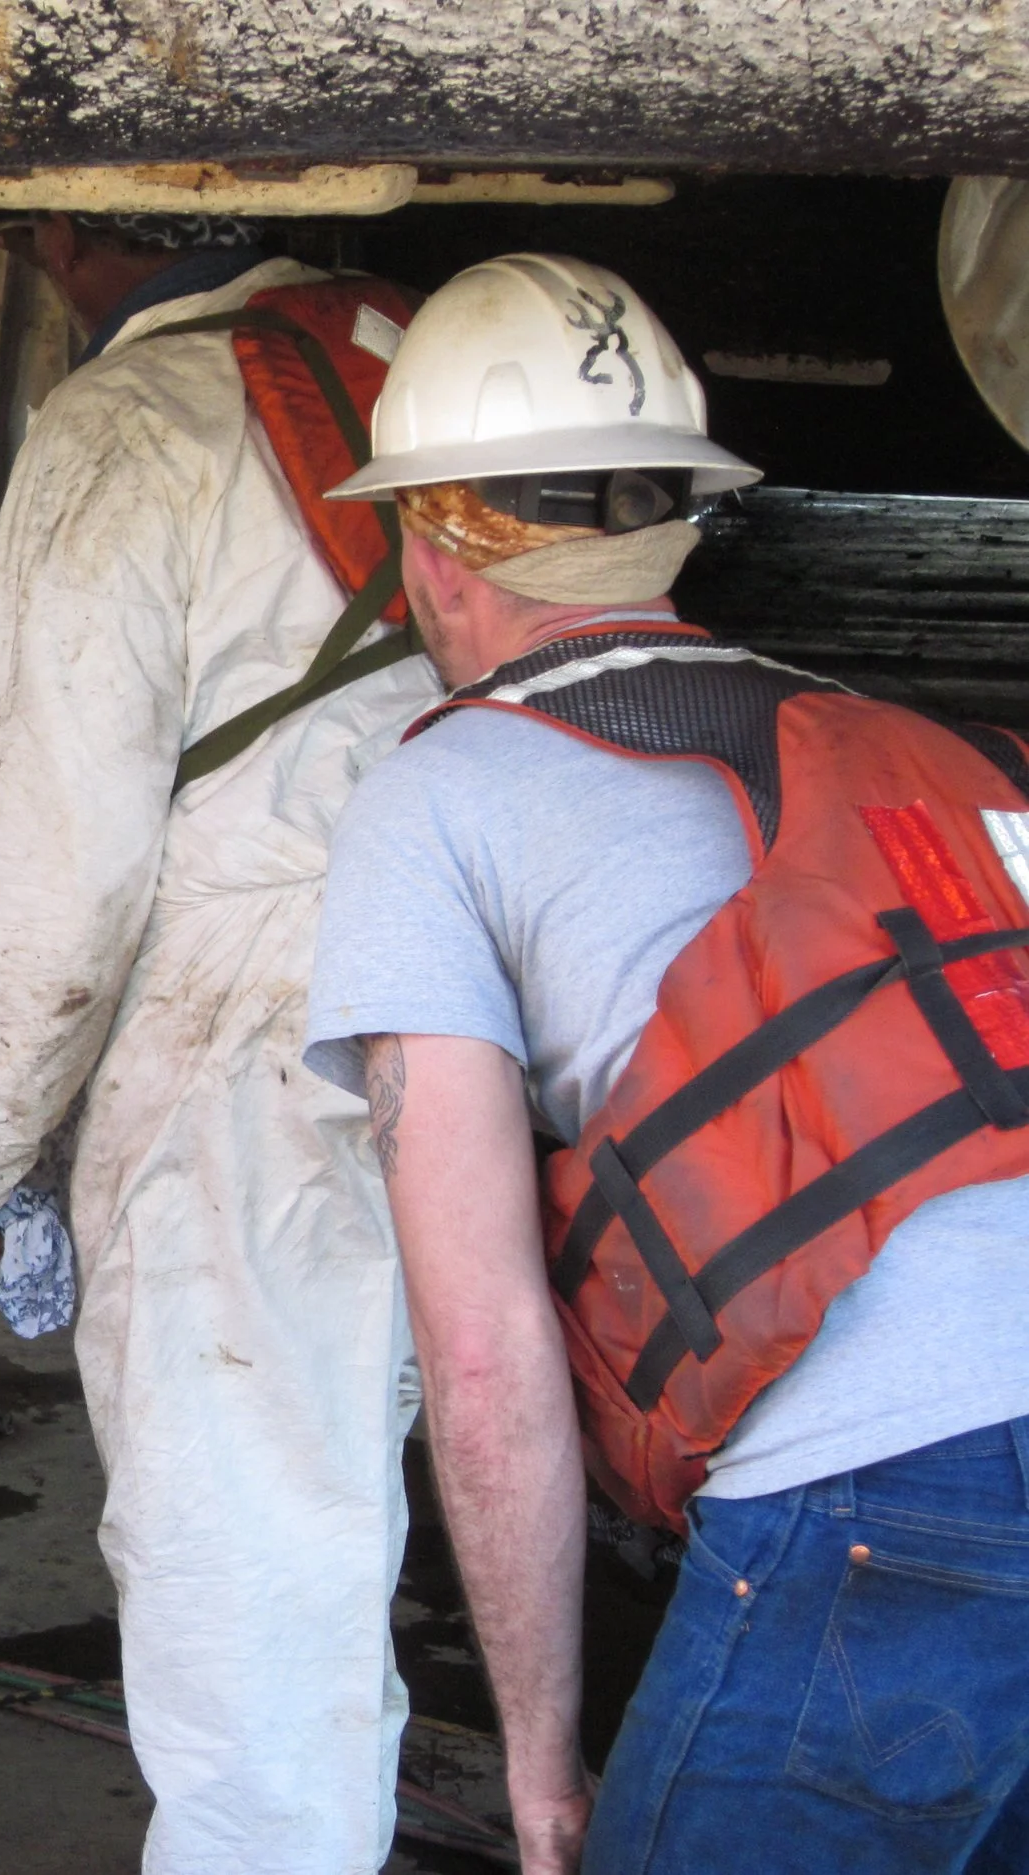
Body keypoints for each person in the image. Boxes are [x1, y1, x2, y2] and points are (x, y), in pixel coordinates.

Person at [305, 252, 1029, 1873]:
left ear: (428, 545)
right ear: (677, 517)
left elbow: (484, 1350)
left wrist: (547, 1762)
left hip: (887, 1495)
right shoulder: (888, 743)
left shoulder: (441, 797)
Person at [0, 209, 442, 1872]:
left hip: (254, 1045)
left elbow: (63, 867)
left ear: (69, 226)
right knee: (351, 1509)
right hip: (473, 985)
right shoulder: (419, 360)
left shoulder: (133, 421)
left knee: (247, 1582)